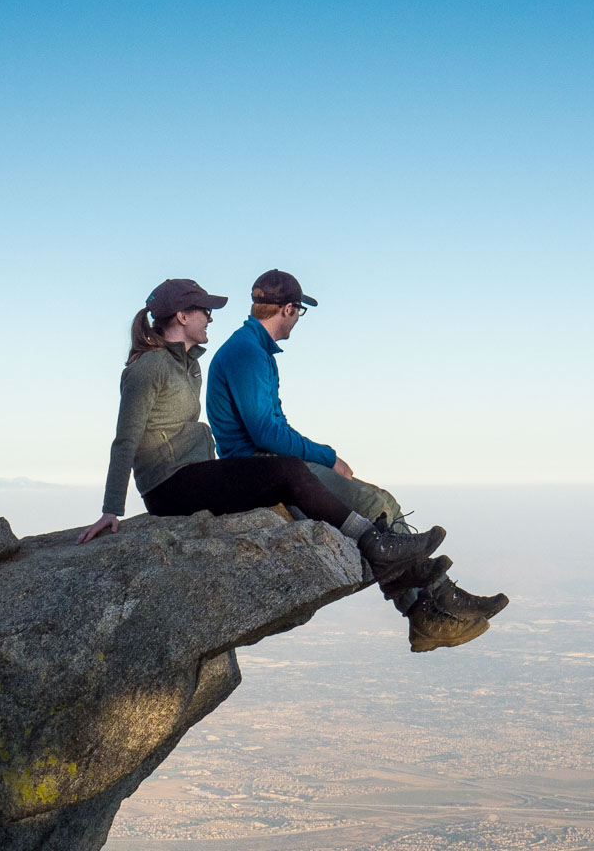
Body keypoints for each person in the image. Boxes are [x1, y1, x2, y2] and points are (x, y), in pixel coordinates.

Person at [77, 278, 446, 594]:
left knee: (285, 476)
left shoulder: (188, 367)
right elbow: (125, 439)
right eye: (204, 310)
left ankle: (392, 562)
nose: (210, 317)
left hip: (193, 475)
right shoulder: (149, 368)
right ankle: (373, 543)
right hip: (169, 486)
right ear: (182, 317)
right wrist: (112, 509)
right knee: (285, 472)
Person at [206, 269, 508, 652]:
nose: (298, 320)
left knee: (386, 501)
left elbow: (270, 427)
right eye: (299, 312)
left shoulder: (252, 350)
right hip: (261, 467)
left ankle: (434, 601)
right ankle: (426, 609)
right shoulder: (247, 352)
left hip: (267, 461)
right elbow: (266, 432)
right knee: (375, 506)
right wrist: (328, 457)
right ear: (288, 309)